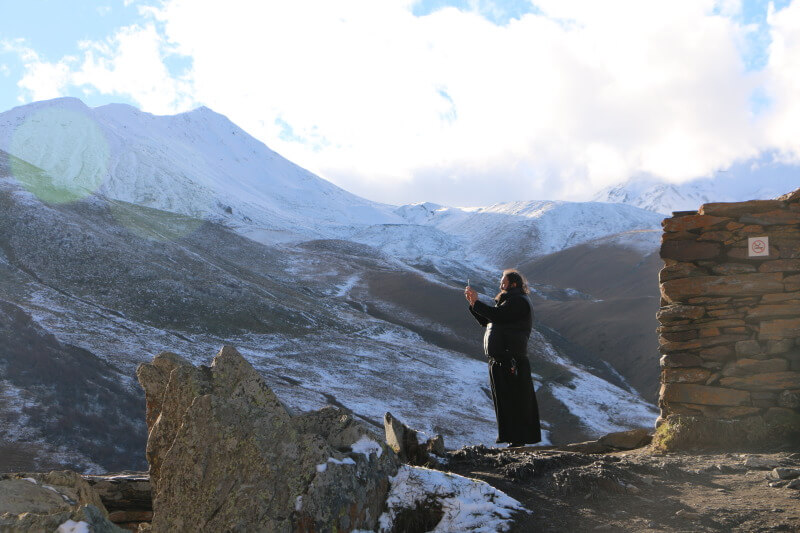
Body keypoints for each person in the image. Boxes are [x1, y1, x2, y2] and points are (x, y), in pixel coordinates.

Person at [465, 269, 541, 447]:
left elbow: (497, 316)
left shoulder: (518, 302)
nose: (500, 285)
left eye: (503, 282)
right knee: (505, 400)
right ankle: (512, 438)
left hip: (510, 359)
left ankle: (518, 439)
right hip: (502, 359)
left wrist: (477, 303)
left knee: (513, 399)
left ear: (513, 284)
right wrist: (473, 304)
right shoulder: (509, 302)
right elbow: (488, 321)